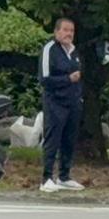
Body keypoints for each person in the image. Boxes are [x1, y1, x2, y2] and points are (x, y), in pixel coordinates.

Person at [38, 17, 84, 193]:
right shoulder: (50, 50)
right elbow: (45, 79)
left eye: (71, 31)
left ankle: (64, 176)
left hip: (73, 102)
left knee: (69, 140)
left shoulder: (73, 52)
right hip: (55, 102)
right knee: (53, 139)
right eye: (65, 30)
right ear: (56, 32)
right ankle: (46, 177)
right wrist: (67, 79)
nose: (68, 34)